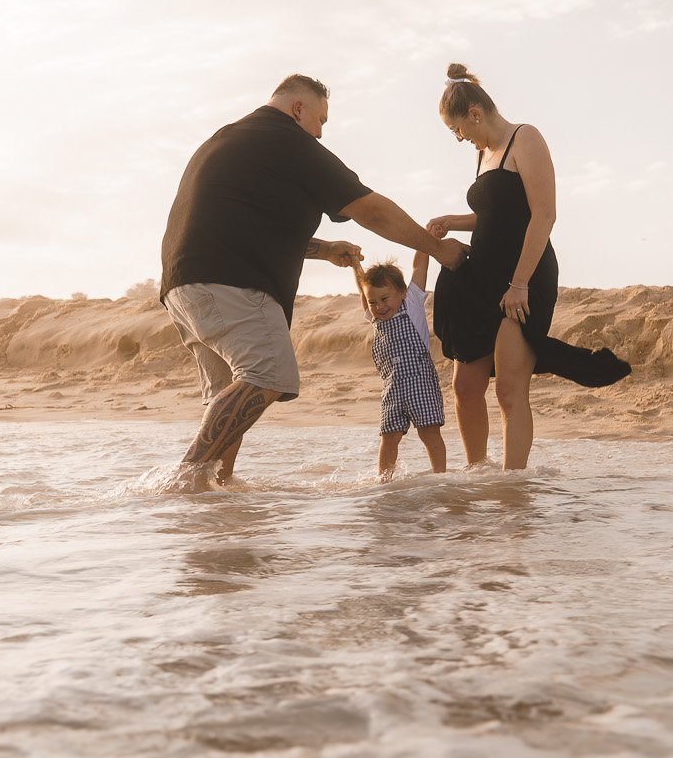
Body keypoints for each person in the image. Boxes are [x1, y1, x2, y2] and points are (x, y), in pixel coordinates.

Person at [160, 74, 469, 486]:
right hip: (231, 281)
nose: (321, 133)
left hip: (184, 285)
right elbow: (372, 210)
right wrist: (439, 250)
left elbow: (243, 220)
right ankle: (185, 477)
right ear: (298, 109)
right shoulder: (288, 140)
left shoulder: (229, 138)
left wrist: (323, 249)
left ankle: (213, 494)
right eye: (320, 120)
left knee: (228, 396)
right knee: (267, 375)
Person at [428, 64, 629, 469]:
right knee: (465, 386)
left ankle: (513, 484)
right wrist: (454, 220)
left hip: (525, 274)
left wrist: (519, 284)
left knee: (508, 388)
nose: (459, 138)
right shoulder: (483, 153)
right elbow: (497, 214)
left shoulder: (526, 138)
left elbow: (543, 215)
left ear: (475, 114)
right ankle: (478, 474)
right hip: (482, 276)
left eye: (458, 130)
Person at [361, 255, 447, 479]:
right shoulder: (375, 320)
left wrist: (425, 240)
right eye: (373, 302)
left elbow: (419, 267)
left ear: (402, 292)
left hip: (420, 384)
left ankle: (440, 477)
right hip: (392, 390)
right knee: (389, 437)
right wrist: (353, 265)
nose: (379, 306)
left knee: (429, 432)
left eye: (385, 298)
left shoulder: (412, 305)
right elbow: (363, 288)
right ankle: (384, 481)